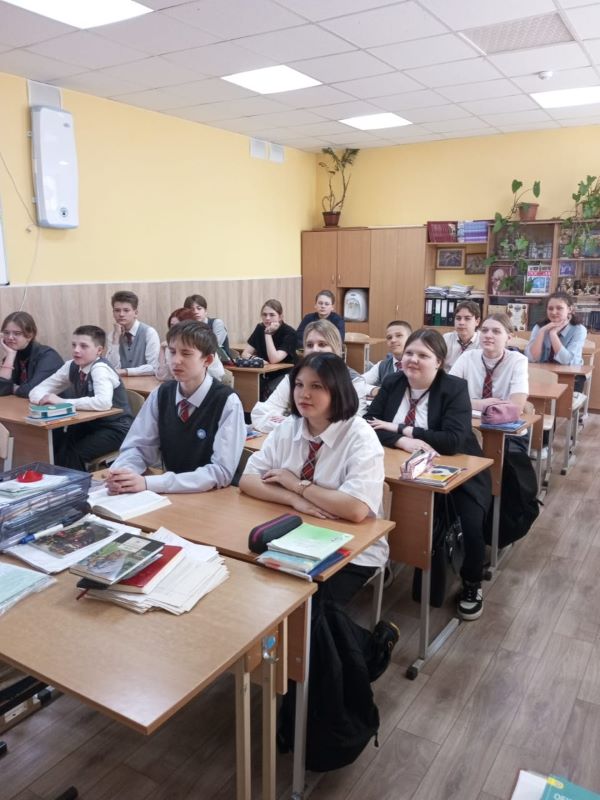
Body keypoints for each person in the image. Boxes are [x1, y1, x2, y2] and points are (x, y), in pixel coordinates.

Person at [241, 352, 388, 607]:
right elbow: (248, 479)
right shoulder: (288, 427)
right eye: (299, 385)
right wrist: (293, 499)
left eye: (316, 386)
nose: (304, 394)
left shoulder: (360, 436)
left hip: (352, 548)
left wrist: (296, 485)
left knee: (307, 605)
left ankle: (365, 635)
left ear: (338, 391)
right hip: (292, 536)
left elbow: (355, 509)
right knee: (253, 588)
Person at [367, 328, 491, 621]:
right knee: (373, 510)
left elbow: (452, 441)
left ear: (439, 362)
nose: (413, 359)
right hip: (398, 469)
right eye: (409, 352)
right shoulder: (393, 381)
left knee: (470, 524)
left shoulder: (454, 388)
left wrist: (400, 428)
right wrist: (403, 441)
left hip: (457, 473)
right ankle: (378, 560)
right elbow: (368, 425)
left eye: (423, 355)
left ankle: (472, 582)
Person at [106, 321, 245, 495]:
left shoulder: (227, 401)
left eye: (186, 353)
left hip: (215, 495)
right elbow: (139, 447)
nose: (175, 360)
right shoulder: (162, 394)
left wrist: (152, 483)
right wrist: (123, 473)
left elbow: (221, 472)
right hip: (171, 492)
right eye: (172, 352)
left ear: (208, 360)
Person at [29, 325, 132, 471]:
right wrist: (43, 400)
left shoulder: (100, 368)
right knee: (57, 443)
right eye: (74, 345)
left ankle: (78, 484)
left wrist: (62, 402)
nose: (76, 350)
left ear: (99, 350)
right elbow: (36, 391)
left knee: (73, 453)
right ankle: (58, 481)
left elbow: (103, 403)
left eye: (83, 346)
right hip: (89, 425)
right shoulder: (71, 366)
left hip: (116, 429)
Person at [251, 319, 368, 432]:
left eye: (322, 344)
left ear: (336, 348)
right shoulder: (294, 378)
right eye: (309, 345)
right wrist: (292, 425)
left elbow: (349, 427)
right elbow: (261, 415)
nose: (314, 350)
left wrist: (292, 423)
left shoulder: (354, 381)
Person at [450, 313, 528, 414]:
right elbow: (447, 394)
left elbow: (517, 405)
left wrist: (465, 403)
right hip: (468, 418)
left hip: (503, 420)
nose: (488, 335)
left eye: (496, 331)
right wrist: (479, 404)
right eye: (484, 330)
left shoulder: (518, 360)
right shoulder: (467, 357)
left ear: (509, 338)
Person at [525, 292, 587, 392]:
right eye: (550, 308)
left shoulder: (579, 329)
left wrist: (553, 334)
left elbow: (566, 361)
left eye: (559, 308)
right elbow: (532, 358)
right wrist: (542, 332)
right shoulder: (539, 327)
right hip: (542, 375)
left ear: (570, 309)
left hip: (570, 377)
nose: (554, 312)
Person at [242, 299, 297, 399]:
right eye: (264, 315)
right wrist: (256, 359)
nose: (267, 318)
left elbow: (274, 359)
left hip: (284, 374)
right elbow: (245, 354)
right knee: (245, 387)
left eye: (272, 315)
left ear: (280, 317)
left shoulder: (289, 333)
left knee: (268, 391)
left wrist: (268, 333)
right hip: (264, 372)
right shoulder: (260, 328)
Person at [0, 311, 63, 397]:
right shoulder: (12, 356)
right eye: (6, 333)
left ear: (30, 335)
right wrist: (10, 355)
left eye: (17, 333)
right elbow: (1, 389)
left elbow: (32, 390)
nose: (10, 337)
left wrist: (10, 388)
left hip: (58, 404)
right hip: (26, 404)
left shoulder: (48, 356)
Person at [156, 308, 225, 382]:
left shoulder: (201, 343)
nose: (174, 330)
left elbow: (217, 375)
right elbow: (162, 376)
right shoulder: (170, 346)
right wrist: (162, 349)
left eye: (178, 326)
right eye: (172, 326)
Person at [105, 290, 160, 377]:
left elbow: (154, 367)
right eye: (117, 310)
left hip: (146, 383)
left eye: (126, 310)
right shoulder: (112, 335)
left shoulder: (149, 332)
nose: (121, 314)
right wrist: (116, 339)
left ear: (136, 313)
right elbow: (112, 368)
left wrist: (125, 371)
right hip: (121, 383)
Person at [362, 320, 412, 394]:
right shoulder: (382, 365)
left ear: (411, 339)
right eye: (389, 337)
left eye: (399, 335)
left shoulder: (417, 364)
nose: (393, 340)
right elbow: (357, 383)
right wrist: (375, 390)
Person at [443, 300, 481, 370]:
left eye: (467, 318)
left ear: (477, 321)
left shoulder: (482, 342)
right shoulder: (446, 339)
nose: (461, 323)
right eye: (458, 318)